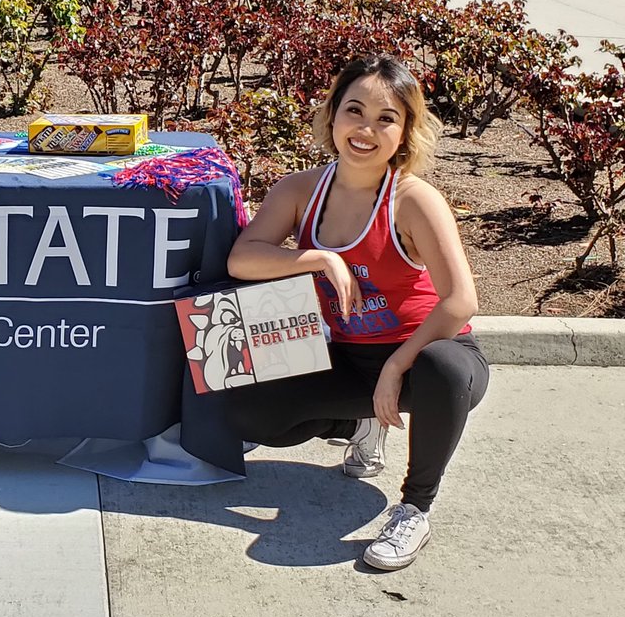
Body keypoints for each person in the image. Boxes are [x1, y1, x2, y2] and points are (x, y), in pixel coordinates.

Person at [180, 54, 487, 572]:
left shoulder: (413, 200)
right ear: (332, 115)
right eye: (354, 110)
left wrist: (396, 368)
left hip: (424, 358)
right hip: (343, 356)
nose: (366, 129)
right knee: (247, 414)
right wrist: (321, 258)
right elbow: (242, 257)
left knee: (443, 367)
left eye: (386, 118)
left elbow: (460, 301)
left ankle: (414, 507)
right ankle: (362, 421)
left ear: (406, 130)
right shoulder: (301, 191)